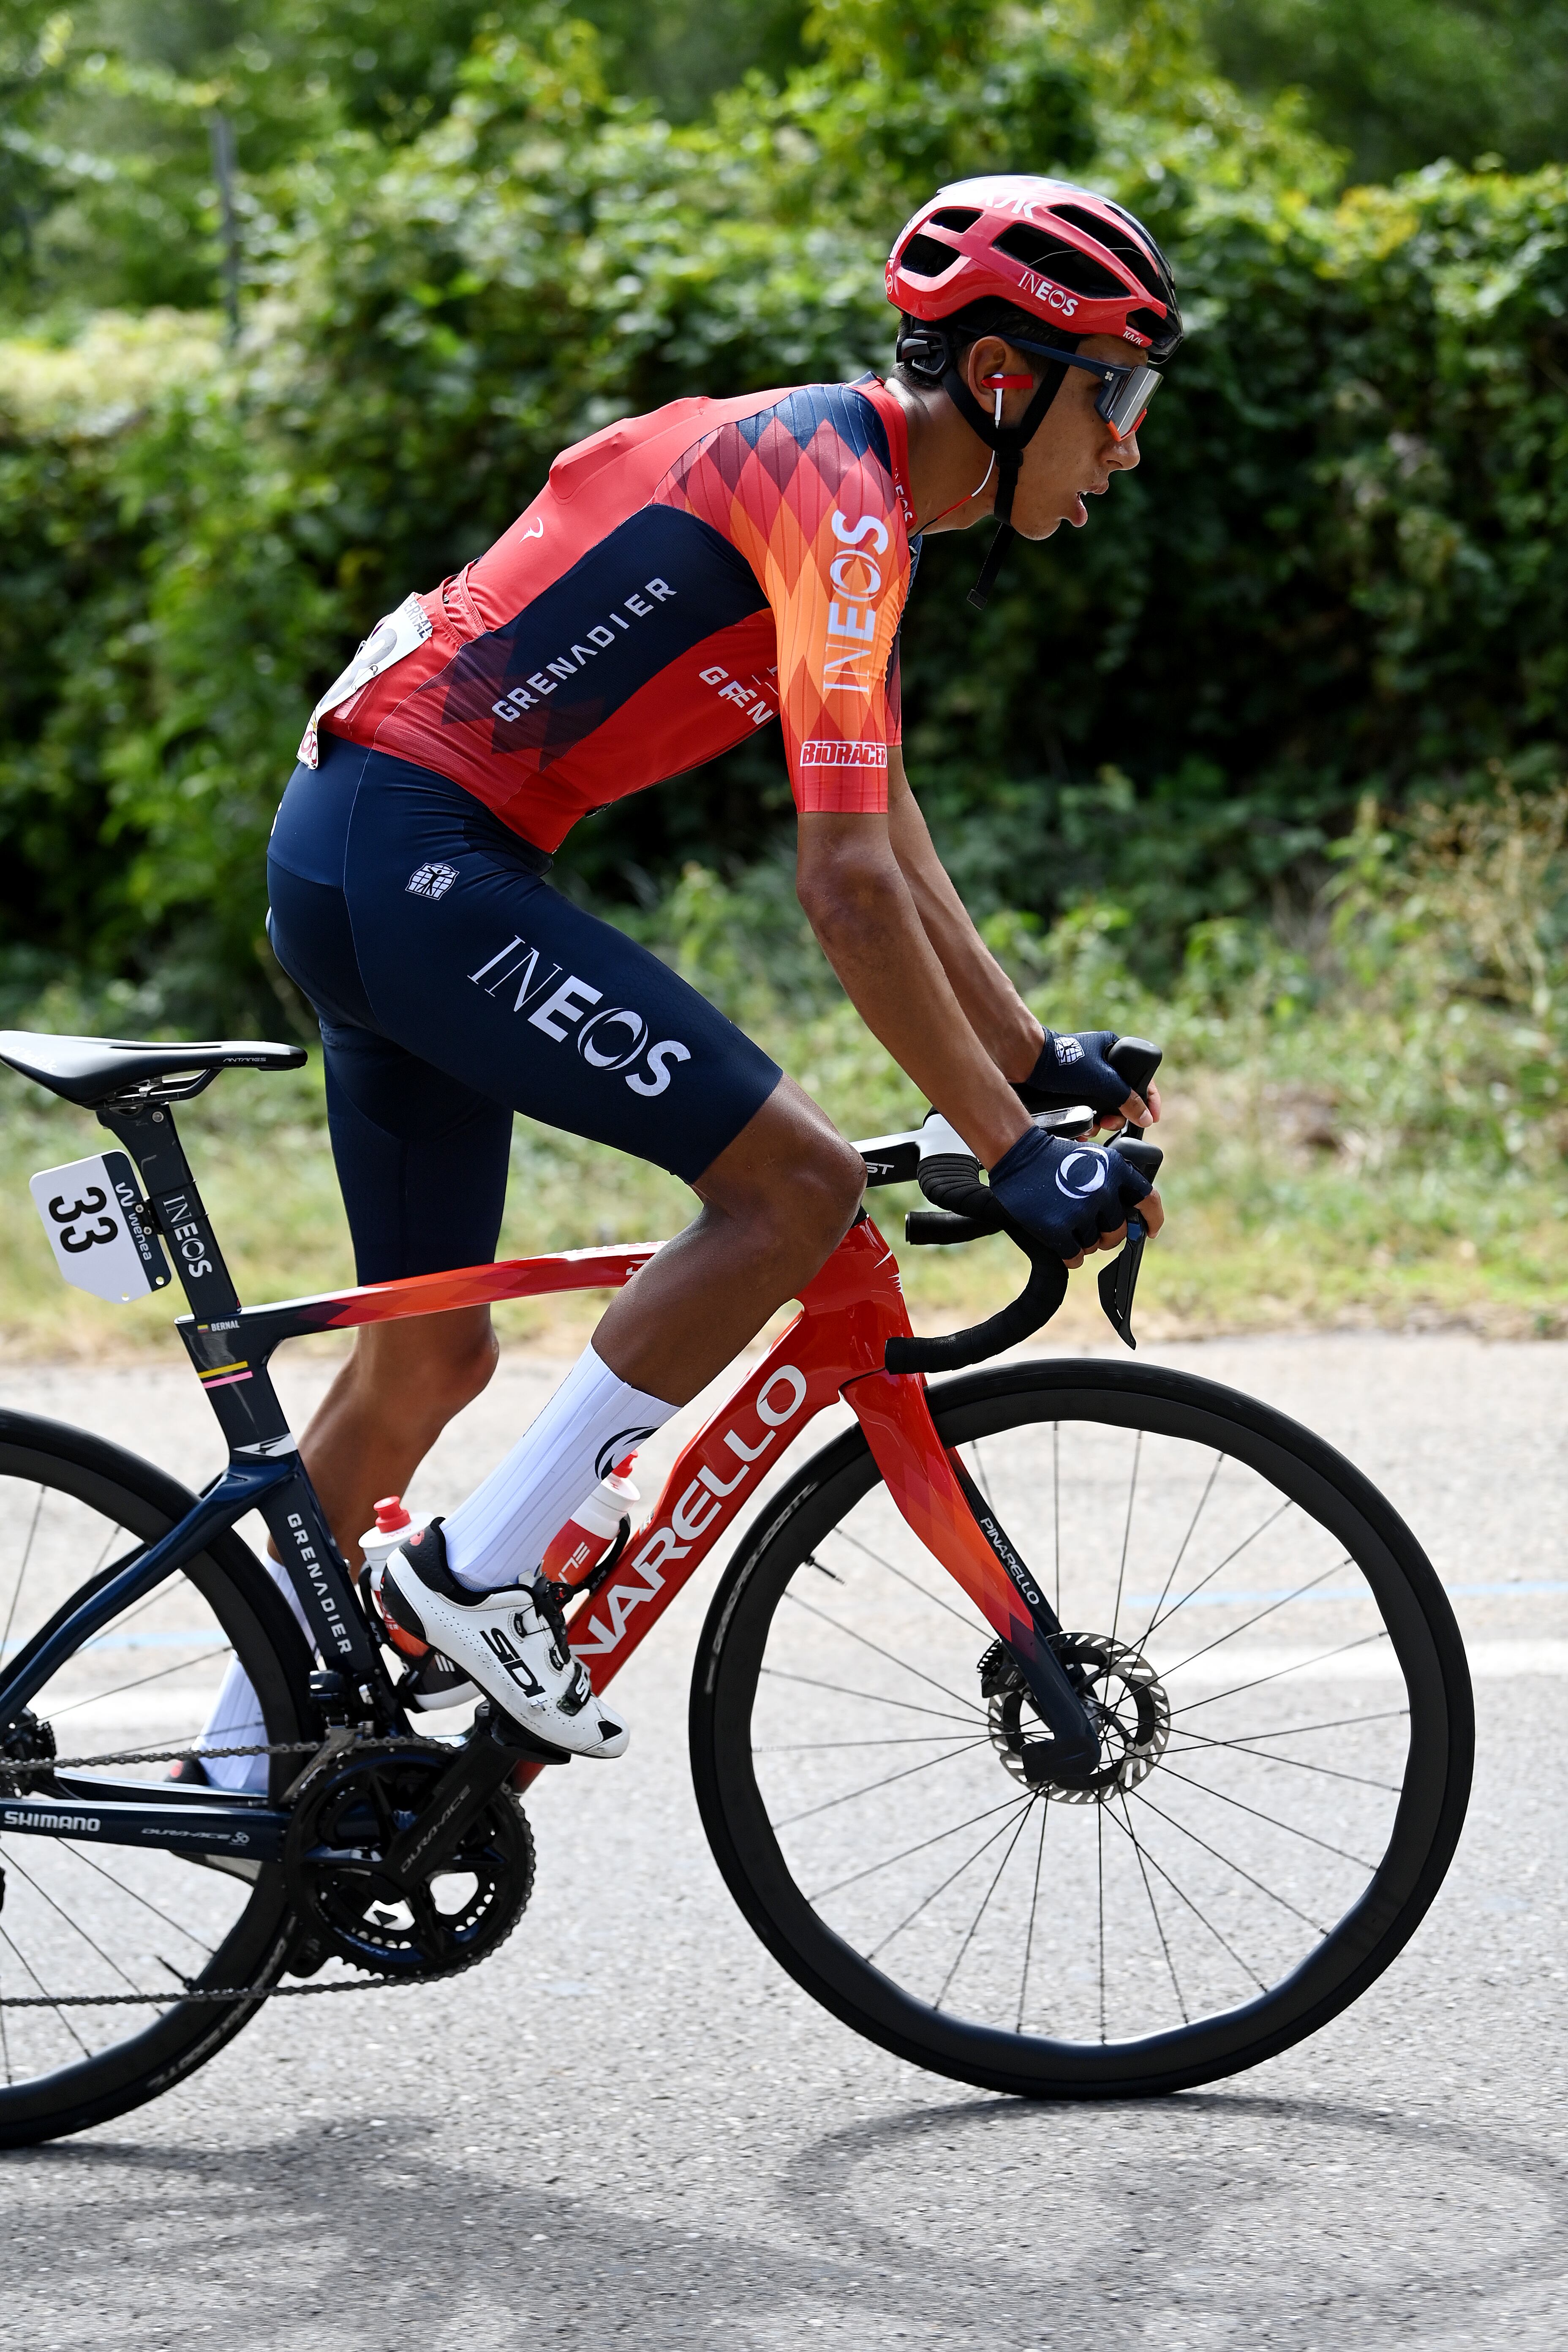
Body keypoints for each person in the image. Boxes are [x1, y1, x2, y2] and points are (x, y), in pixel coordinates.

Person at [198, 174, 1181, 1780]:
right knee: (791, 1186)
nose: (1128, 441)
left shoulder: (849, 487)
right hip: (417, 855)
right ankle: (470, 1576)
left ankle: (243, 1795)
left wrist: (1027, 1063)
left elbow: (891, 825)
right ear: (1006, 380)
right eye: (1114, 393)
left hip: (370, 852)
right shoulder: (841, 500)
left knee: (428, 1358)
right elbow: (846, 892)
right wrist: (1013, 1155)